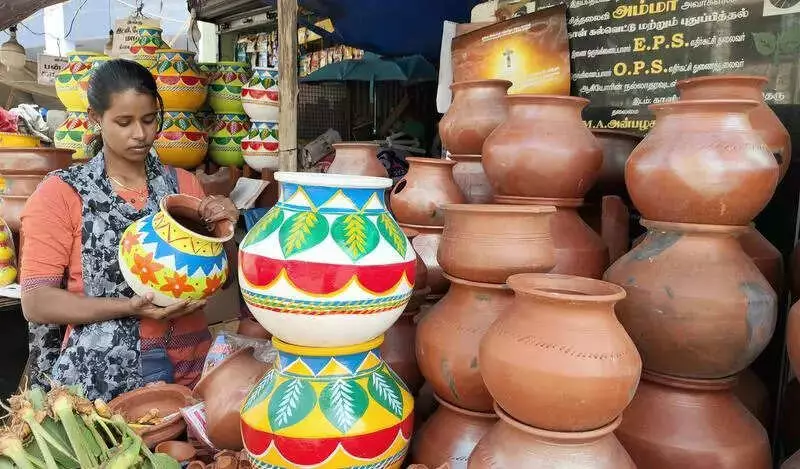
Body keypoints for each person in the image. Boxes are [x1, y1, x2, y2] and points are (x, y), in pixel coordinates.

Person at [20, 59, 238, 401]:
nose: (140, 134)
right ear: (95, 118)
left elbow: (222, 277)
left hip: (189, 368)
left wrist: (225, 227)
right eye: (124, 122)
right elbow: (36, 302)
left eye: (149, 120)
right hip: (99, 380)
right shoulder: (61, 193)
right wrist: (128, 306)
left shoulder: (183, 185)